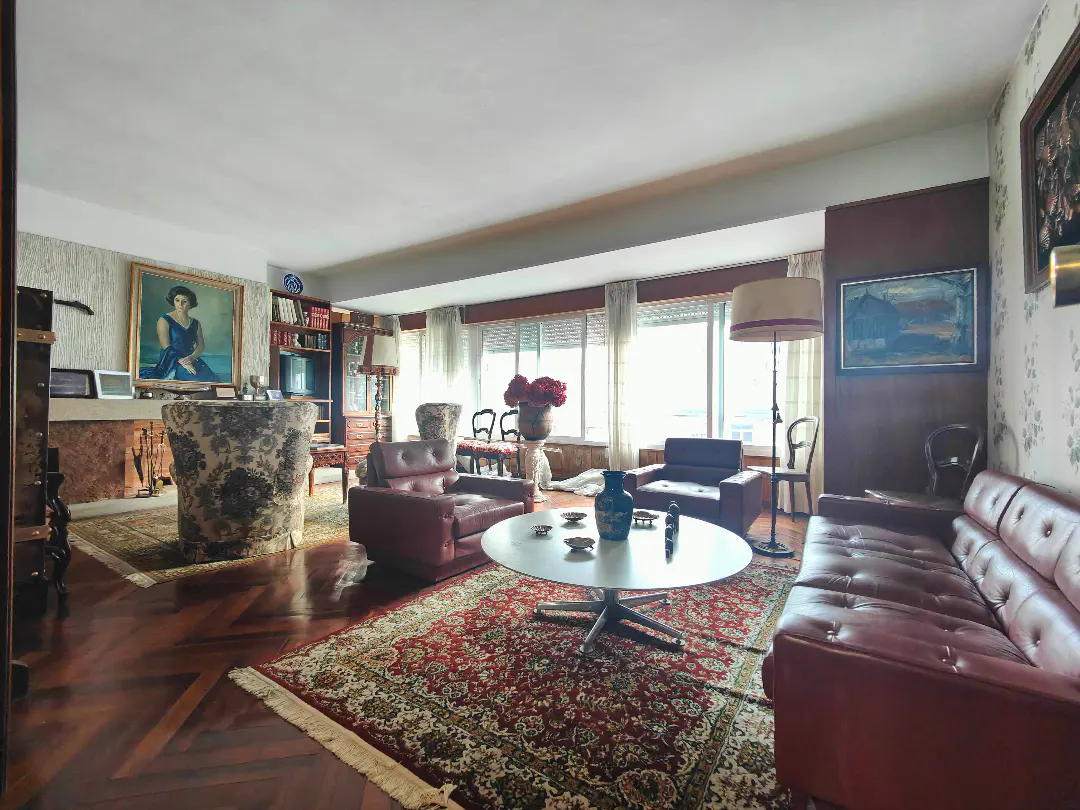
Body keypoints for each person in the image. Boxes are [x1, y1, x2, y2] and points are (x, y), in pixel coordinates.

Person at [140, 285, 219, 381]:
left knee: (212, 380)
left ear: (190, 305)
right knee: (194, 380)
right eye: (177, 300)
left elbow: (201, 345)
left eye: (184, 301)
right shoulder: (164, 320)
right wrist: (181, 361)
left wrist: (192, 357)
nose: (180, 304)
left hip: (191, 358)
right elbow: (165, 345)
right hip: (171, 359)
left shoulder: (195, 323)